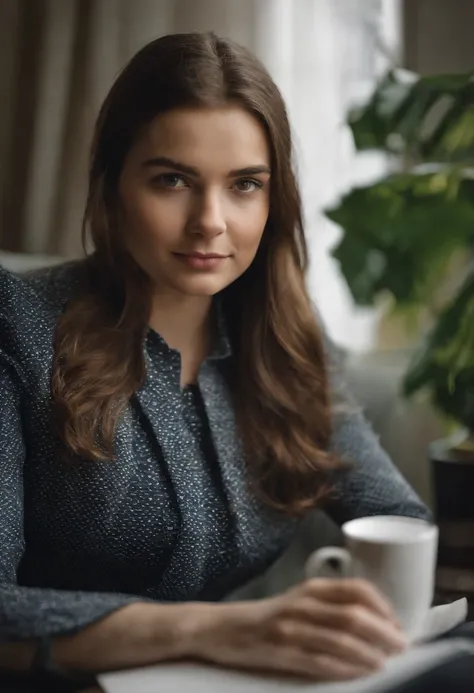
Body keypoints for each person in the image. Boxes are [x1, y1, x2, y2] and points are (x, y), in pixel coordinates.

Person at [0, 32, 432, 685]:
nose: (211, 221)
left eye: (244, 185)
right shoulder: (18, 325)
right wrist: (228, 629)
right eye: (172, 180)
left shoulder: (287, 338)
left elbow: (396, 523)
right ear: (113, 184)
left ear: (273, 198)